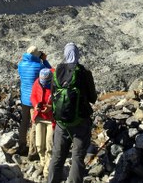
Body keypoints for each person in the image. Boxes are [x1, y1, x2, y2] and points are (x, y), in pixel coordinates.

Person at [48, 43, 97, 183]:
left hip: (61, 123)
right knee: (77, 157)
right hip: (80, 122)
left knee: (57, 156)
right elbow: (93, 98)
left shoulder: (57, 71)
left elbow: (52, 95)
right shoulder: (84, 73)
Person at [17, 45, 51, 156]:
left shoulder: (21, 65)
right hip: (35, 99)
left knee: (24, 122)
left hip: (24, 99)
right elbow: (50, 72)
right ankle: (32, 150)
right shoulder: (39, 66)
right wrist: (44, 60)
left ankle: (21, 146)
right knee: (34, 124)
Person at [31, 68, 56, 176]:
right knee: (39, 144)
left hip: (51, 119)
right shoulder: (37, 82)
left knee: (49, 144)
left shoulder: (56, 85)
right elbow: (33, 96)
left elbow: (60, 100)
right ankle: (42, 161)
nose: (44, 85)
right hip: (39, 117)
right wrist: (36, 104)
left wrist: (51, 107)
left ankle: (47, 170)